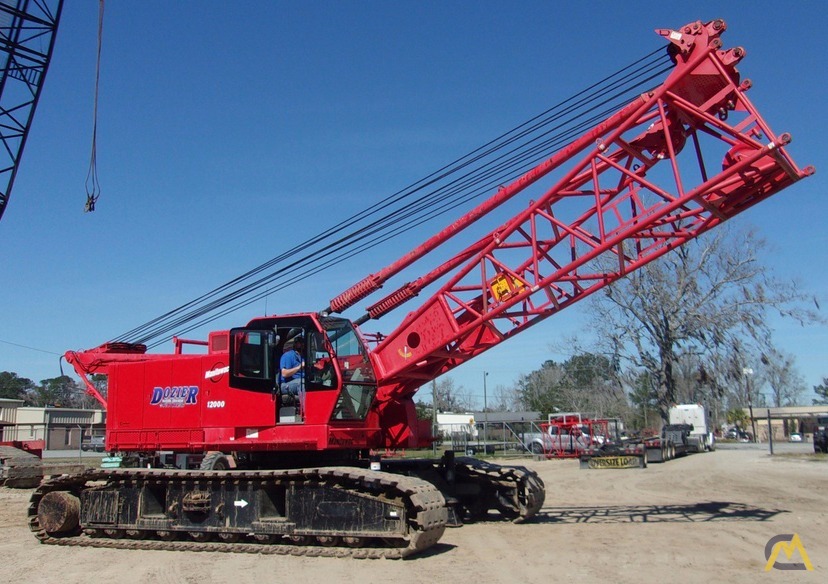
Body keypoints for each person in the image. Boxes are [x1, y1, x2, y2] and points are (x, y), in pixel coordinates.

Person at [279, 335, 305, 409]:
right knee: (302, 383)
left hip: (299, 381)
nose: (302, 345)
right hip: (285, 384)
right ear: (295, 344)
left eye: (303, 343)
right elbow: (284, 373)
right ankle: (306, 411)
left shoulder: (303, 357)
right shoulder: (288, 356)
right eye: (300, 343)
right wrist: (299, 367)